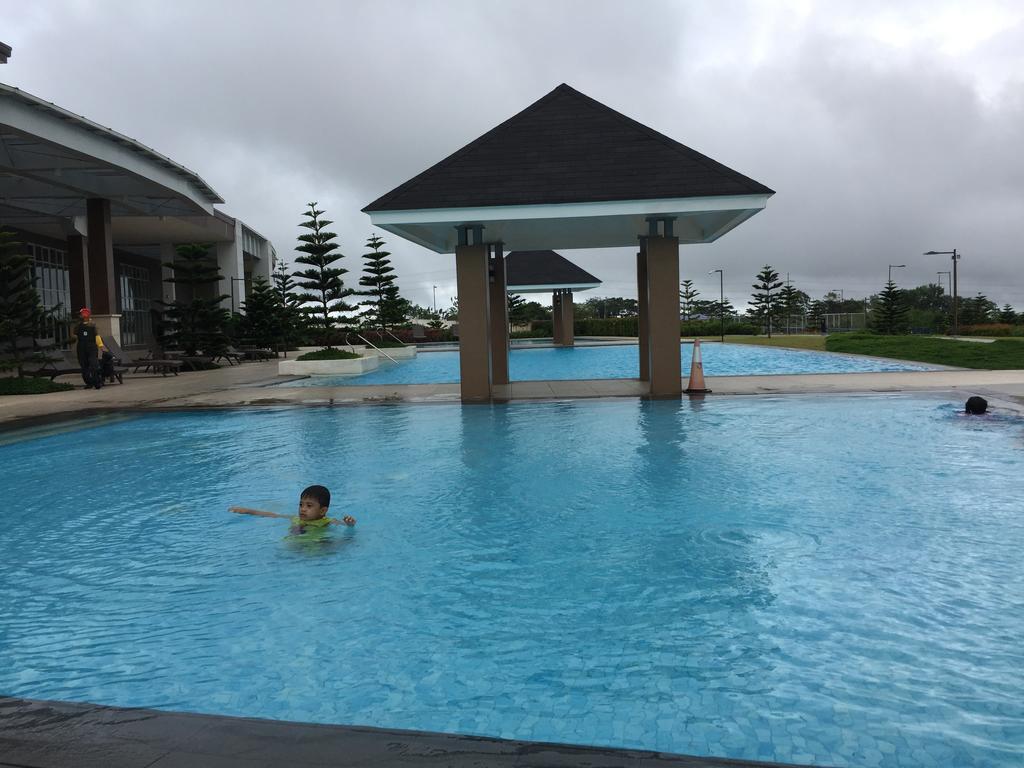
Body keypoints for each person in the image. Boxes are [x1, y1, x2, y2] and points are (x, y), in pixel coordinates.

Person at [229, 485, 356, 534]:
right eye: (301, 505)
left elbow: (344, 527)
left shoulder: (328, 521)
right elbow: (271, 515)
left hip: (318, 546)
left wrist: (349, 525)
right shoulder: (294, 518)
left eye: (309, 506)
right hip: (298, 543)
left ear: (322, 511)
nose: (303, 509)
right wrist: (247, 510)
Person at [71, 308, 107, 389]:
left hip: (91, 346)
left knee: (93, 364)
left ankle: (97, 382)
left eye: (81, 314)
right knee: (84, 365)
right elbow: (74, 336)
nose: (80, 316)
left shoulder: (93, 325)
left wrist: (101, 346)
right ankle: (89, 383)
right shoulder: (78, 325)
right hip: (81, 347)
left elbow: (97, 336)